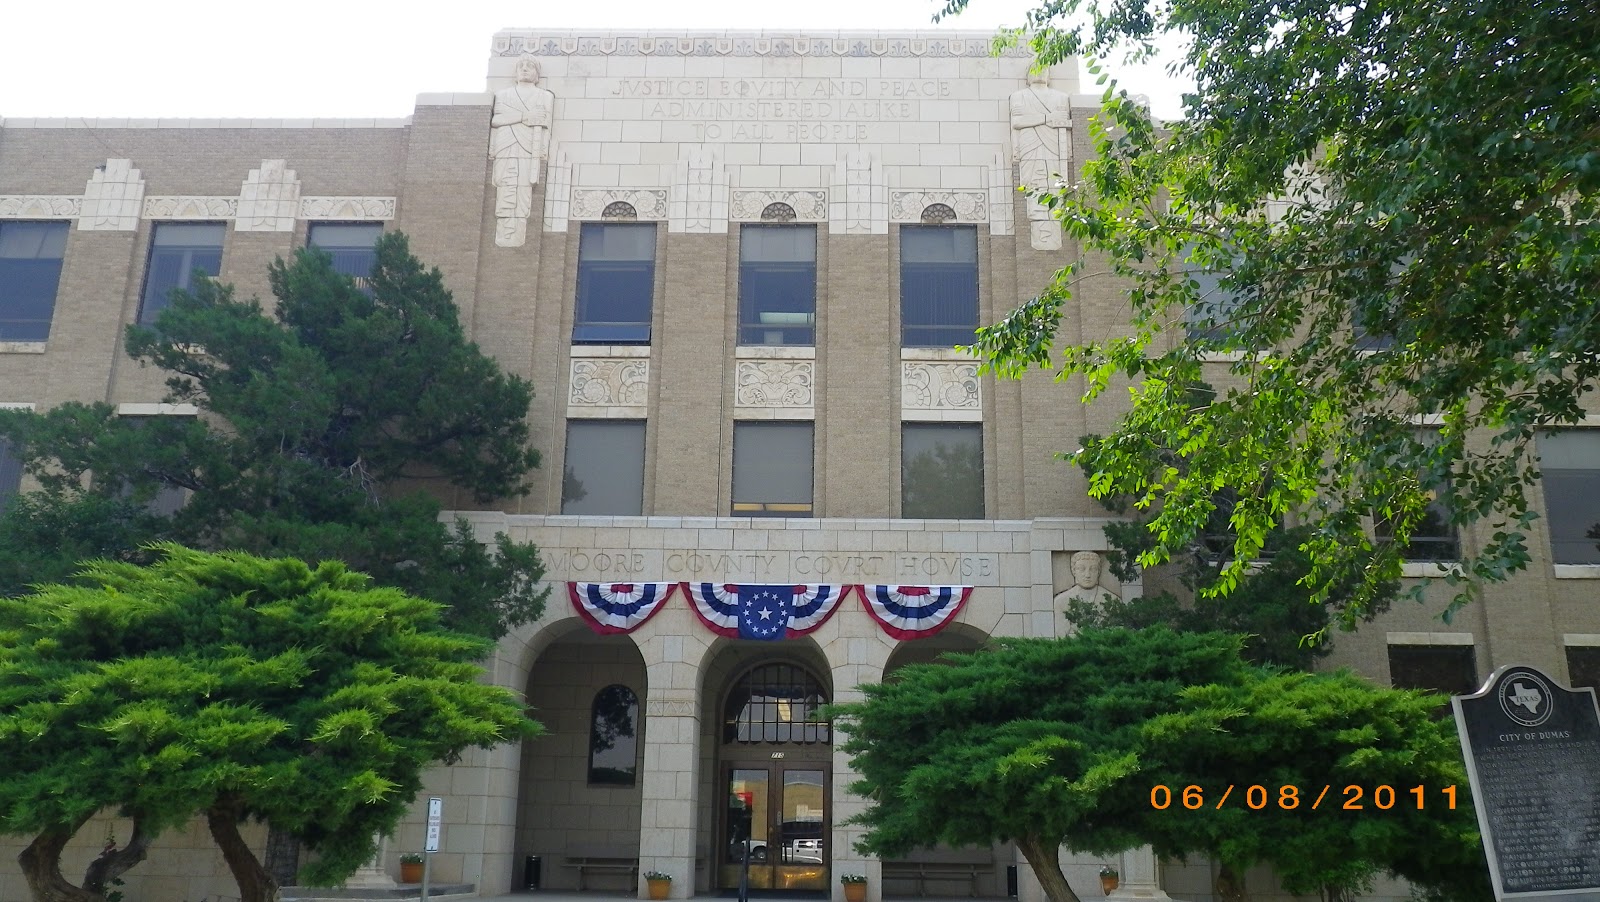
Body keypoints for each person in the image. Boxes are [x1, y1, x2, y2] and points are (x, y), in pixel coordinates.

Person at [489, 55, 555, 247]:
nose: (525, 69)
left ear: (537, 74)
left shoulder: (544, 96)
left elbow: (545, 125)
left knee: (523, 191)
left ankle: (516, 233)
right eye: (521, 66)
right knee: (505, 187)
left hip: (529, 149)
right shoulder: (504, 95)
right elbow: (496, 120)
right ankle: (505, 231)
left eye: (530, 66)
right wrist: (526, 116)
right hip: (507, 147)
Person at [1009, 69, 1072, 250]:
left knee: (1054, 184)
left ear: (1049, 75)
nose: (1039, 72)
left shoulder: (1061, 97)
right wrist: (1046, 118)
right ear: (1027, 76)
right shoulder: (1019, 96)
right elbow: (1017, 122)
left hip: (1054, 147)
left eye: (1043, 68)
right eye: (1034, 69)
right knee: (1033, 184)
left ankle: (1051, 230)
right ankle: (1039, 226)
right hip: (1030, 144)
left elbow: (1064, 123)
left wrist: (1067, 150)